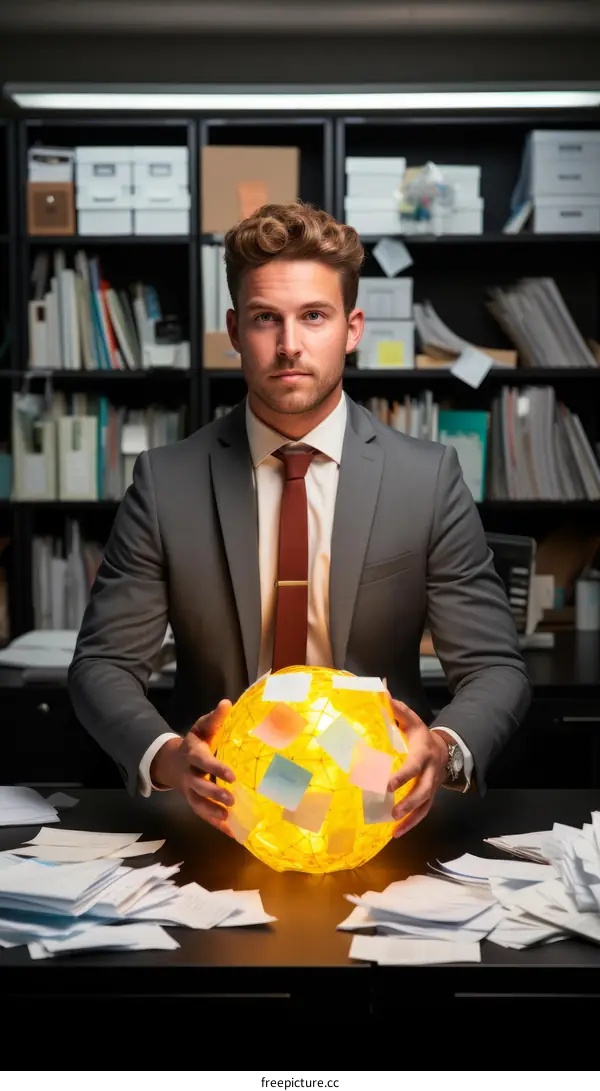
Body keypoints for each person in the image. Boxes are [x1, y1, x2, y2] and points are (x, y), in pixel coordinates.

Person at [68, 201, 531, 840]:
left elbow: (494, 668)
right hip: (222, 806)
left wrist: (445, 750)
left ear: (352, 327)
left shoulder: (427, 478)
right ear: (234, 329)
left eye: (314, 316)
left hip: (376, 807)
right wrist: (166, 756)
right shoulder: (165, 480)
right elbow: (103, 664)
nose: (289, 345)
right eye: (266, 319)